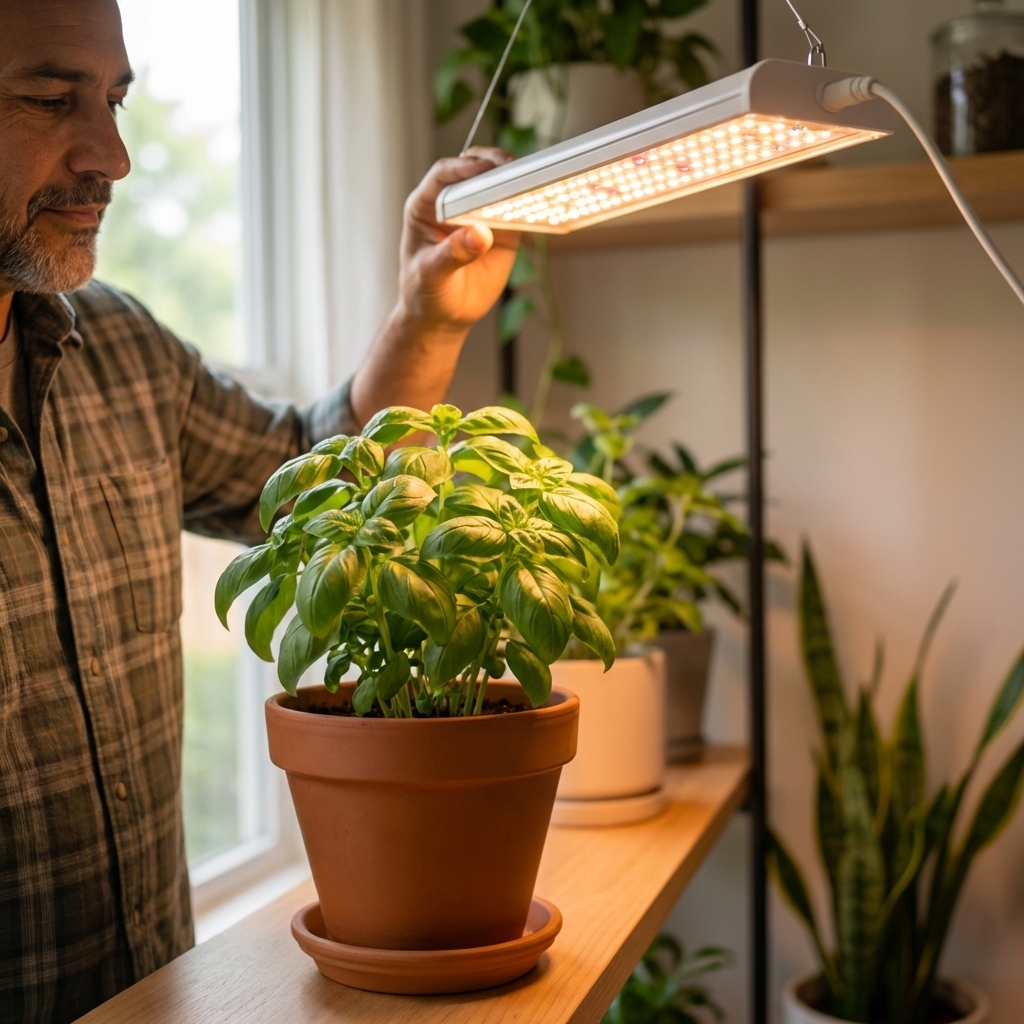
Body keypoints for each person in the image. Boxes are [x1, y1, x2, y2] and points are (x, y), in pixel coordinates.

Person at [0, 1, 518, 1020]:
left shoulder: (122, 354)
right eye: (53, 97)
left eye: (114, 100)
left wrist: (425, 312)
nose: (113, 155)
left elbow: (311, 482)